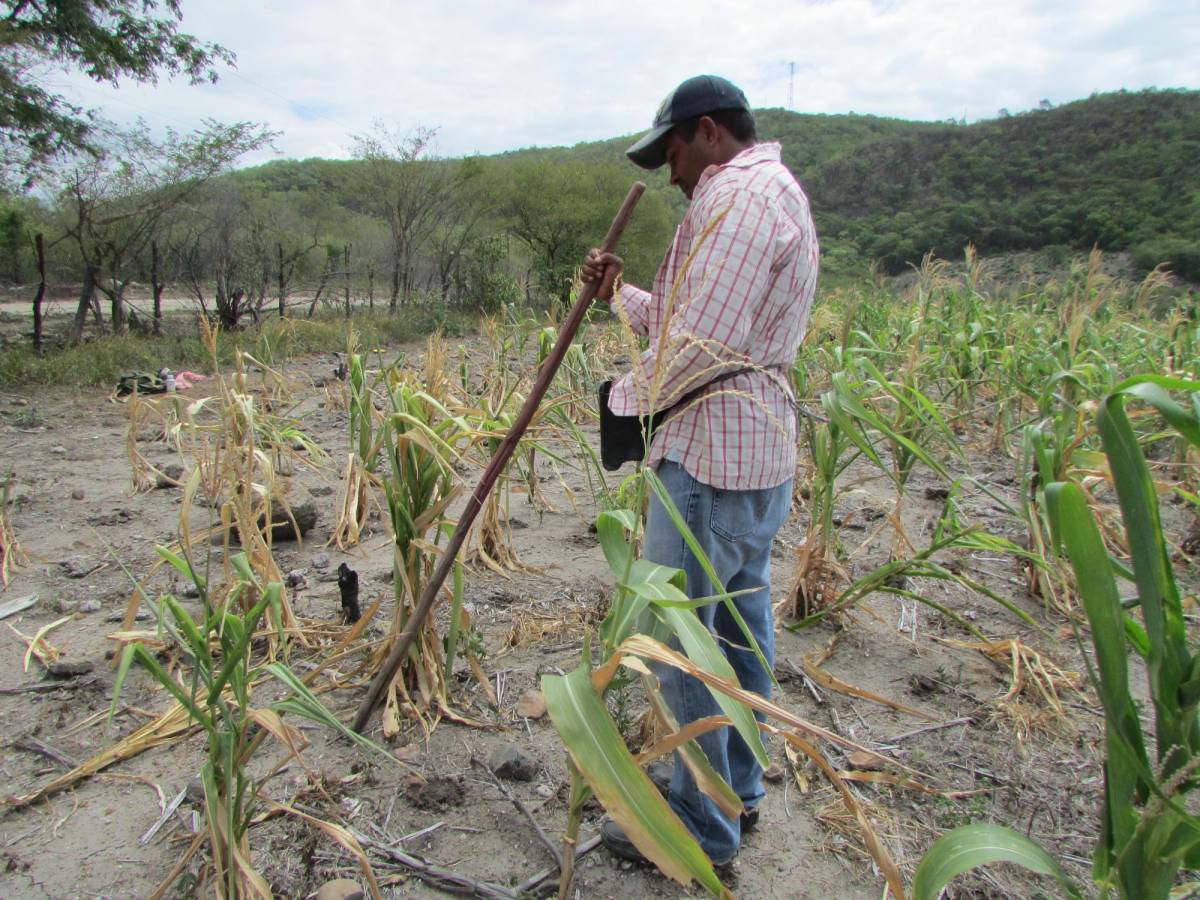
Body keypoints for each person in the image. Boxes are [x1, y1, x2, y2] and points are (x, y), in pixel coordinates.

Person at [582, 74, 819, 867]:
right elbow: (692, 323)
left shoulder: (741, 200)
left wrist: (618, 402)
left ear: (709, 132)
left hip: (712, 453)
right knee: (741, 635)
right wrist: (620, 296)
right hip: (754, 449)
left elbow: (697, 349)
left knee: (685, 644)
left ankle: (697, 831)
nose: (669, 172)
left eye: (673, 151)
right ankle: (736, 792)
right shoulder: (765, 195)